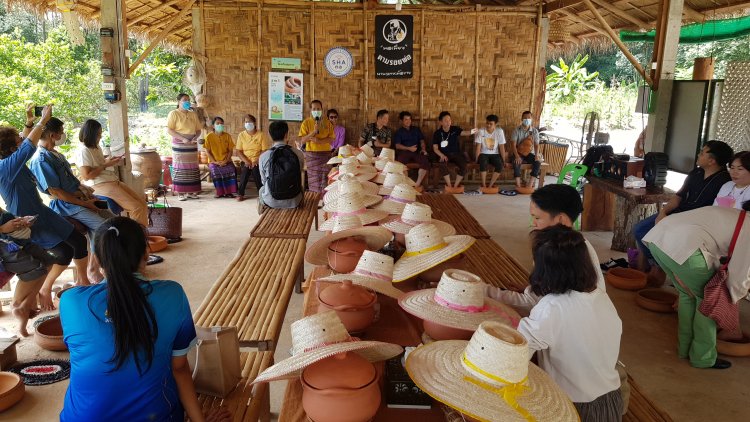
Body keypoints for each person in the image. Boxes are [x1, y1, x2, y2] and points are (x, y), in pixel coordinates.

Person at [59, 217, 231, 422]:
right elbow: (180, 368)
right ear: (146, 254)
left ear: (95, 258)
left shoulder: (71, 301)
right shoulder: (172, 294)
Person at [517, 226, 622, 421]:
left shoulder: (552, 308)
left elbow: (515, 356)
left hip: (573, 407)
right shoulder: (600, 296)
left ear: (544, 269)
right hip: (611, 403)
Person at [1, 105, 90, 311]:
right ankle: (37, 295)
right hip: (25, 219)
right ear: (9, 148)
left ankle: (80, 282)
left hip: (41, 211)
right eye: (16, 140)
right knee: (61, 253)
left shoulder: (10, 160)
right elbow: (28, 146)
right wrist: (42, 122)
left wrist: (29, 123)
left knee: (76, 240)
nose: (21, 139)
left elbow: (23, 142)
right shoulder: (5, 167)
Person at [644, 201, 750, 370]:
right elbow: (740, 273)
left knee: (687, 295)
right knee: (708, 301)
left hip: (658, 240)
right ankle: (703, 358)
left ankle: (684, 349)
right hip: (684, 248)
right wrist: (731, 301)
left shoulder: (734, 214)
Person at [486, 184, 605, 314]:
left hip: (567, 322)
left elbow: (531, 303)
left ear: (561, 219)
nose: (533, 223)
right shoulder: (578, 244)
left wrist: (484, 291)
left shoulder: (556, 251)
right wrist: (533, 289)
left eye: (537, 218)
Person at [30, 117, 114, 285]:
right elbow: (57, 192)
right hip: (65, 206)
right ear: (53, 135)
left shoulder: (56, 154)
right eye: (61, 132)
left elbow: (70, 181)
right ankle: (93, 269)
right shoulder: (41, 159)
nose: (63, 135)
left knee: (112, 219)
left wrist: (84, 189)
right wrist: (85, 203)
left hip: (77, 200)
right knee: (104, 228)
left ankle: (100, 266)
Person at [633, 140, 733, 278]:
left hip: (697, 223)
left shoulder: (725, 181)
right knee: (640, 229)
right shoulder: (696, 173)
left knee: (657, 236)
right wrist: (663, 212)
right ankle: (656, 266)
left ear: (712, 161)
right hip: (678, 214)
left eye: (702, 153)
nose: (698, 155)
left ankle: (660, 270)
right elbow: (679, 196)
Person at [76, 119, 149, 227]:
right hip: (99, 184)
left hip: (110, 181)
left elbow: (98, 165)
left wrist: (109, 161)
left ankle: (142, 236)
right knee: (136, 207)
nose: (100, 137)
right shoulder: (83, 150)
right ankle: (136, 239)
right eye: (98, 134)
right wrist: (105, 165)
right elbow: (87, 176)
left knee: (142, 203)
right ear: (91, 134)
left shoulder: (96, 147)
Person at [1, 208, 53, 336]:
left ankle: (24, 306)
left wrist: (20, 221)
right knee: (35, 268)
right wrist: (2, 229)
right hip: (5, 246)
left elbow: (3, 213)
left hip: (15, 240)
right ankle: (18, 306)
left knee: (48, 261)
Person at [259, 121, 305, 212]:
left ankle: (263, 213)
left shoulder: (264, 156)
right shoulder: (298, 153)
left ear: (270, 135)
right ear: (286, 134)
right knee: (301, 188)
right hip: (294, 201)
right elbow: (299, 172)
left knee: (261, 189)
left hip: (271, 201)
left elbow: (264, 180)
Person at [167, 93, 203, 200]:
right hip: (179, 144)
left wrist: (194, 138)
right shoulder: (173, 113)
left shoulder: (193, 114)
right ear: (179, 102)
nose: (187, 101)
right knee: (180, 167)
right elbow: (169, 130)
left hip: (191, 145)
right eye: (184, 100)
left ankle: (191, 192)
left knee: (192, 167)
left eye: (188, 99)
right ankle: (180, 193)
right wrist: (182, 139)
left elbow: (198, 130)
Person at [431, 111, 475, 190]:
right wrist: (441, 155)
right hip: (444, 154)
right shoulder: (437, 133)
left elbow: (465, 133)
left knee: (464, 166)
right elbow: (435, 148)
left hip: (456, 153)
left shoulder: (455, 129)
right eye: (446, 120)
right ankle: (449, 185)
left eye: (449, 120)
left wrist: (473, 131)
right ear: (441, 122)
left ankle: (455, 185)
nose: (448, 122)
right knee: (442, 164)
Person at [298, 100, 335, 192]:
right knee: (314, 181)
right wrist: (314, 132)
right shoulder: (306, 123)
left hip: (325, 155)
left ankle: (325, 201)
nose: (316, 110)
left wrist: (320, 141)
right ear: (311, 110)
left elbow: (332, 138)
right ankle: (315, 201)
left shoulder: (327, 123)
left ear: (322, 110)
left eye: (318, 109)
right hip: (312, 156)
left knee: (325, 180)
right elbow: (302, 140)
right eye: (314, 109)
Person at [235, 114, 270, 202]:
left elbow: (264, 150)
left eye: (250, 122)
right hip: (245, 160)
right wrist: (246, 161)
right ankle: (240, 193)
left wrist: (256, 160)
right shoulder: (241, 135)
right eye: (246, 122)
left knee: (255, 170)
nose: (248, 123)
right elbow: (238, 151)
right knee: (246, 169)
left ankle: (261, 193)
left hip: (258, 160)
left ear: (254, 123)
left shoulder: (261, 135)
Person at [393, 111, 429, 188]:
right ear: (401, 121)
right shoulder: (399, 132)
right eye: (406, 119)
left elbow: (422, 141)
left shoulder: (416, 129)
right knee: (400, 164)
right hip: (404, 152)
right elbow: (397, 146)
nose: (408, 121)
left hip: (416, 152)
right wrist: (409, 148)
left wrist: (423, 149)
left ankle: (417, 185)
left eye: (409, 119)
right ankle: (406, 184)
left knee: (425, 161)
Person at [203, 117, 238, 198]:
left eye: (221, 123)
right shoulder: (209, 137)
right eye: (217, 123)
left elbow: (230, 150)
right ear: (213, 126)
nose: (220, 125)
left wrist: (226, 161)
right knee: (215, 171)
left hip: (226, 161)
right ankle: (220, 192)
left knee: (231, 169)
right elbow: (207, 151)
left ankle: (229, 192)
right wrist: (215, 162)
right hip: (214, 162)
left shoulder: (227, 136)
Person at [509, 111, 541, 190]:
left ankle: (530, 184)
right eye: (525, 118)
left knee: (537, 162)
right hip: (518, 152)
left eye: (529, 118)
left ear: (531, 119)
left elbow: (536, 144)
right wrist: (516, 156)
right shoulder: (516, 130)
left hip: (530, 153)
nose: (527, 119)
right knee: (516, 162)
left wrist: (536, 155)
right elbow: (513, 145)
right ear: (521, 119)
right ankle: (518, 184)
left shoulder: (534, 131)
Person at [474, 114, 507, 189]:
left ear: (496, 124)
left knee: (500, 165)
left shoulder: (499, 131)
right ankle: (484, 185)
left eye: (491, 124)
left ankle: (490, 185)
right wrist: (476, 159)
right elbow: (478, 147)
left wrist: (504, 160)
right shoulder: (481, 131)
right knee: (483, 162)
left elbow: (502, 147)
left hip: (495, 154)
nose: (488, 125)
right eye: (487, 123)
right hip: (483, 153)